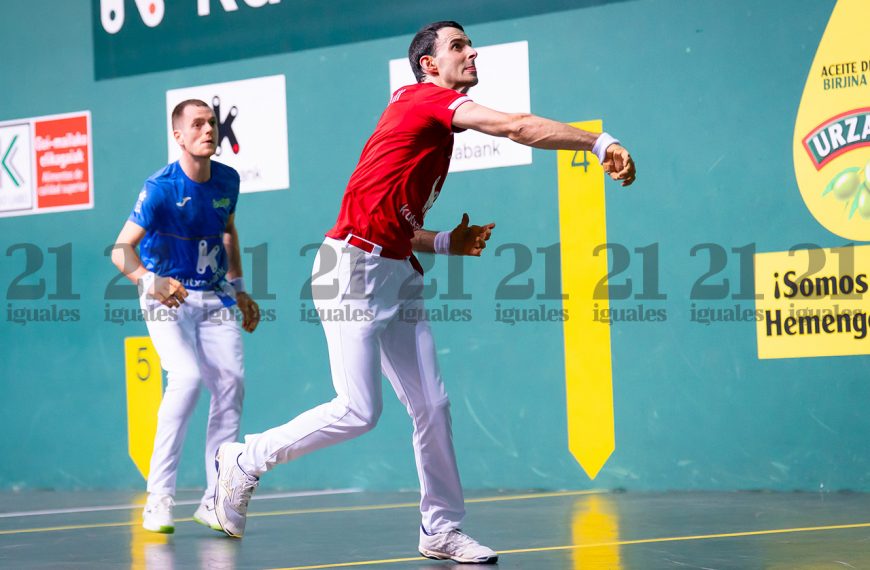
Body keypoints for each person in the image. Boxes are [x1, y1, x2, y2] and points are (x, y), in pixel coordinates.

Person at [213, 20, 635, 563]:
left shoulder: (434, 134)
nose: (471, 52)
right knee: (359, 410)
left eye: (469, 44)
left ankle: (440, 528)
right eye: (458, 46)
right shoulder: (421, 101)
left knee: (432, 404)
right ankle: (243, 461)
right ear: (429, 64)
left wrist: (443, 241)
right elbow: (518, 127)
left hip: (397, 269)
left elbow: (396, 221)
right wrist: (598, 142)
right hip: (351, 268)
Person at [111, 99, 261, 534]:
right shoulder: (159, 187)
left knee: (231, 383)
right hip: (166, 297)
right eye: (197, 125)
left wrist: (239, 288)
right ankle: (159, 498)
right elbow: (121, 248)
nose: (208, 130)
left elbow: (228, 231)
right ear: (178, 136)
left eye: (211, 123)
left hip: (214, 297)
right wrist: (147, 280)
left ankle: (217, 498)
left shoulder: (227, 179)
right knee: (187, 378)